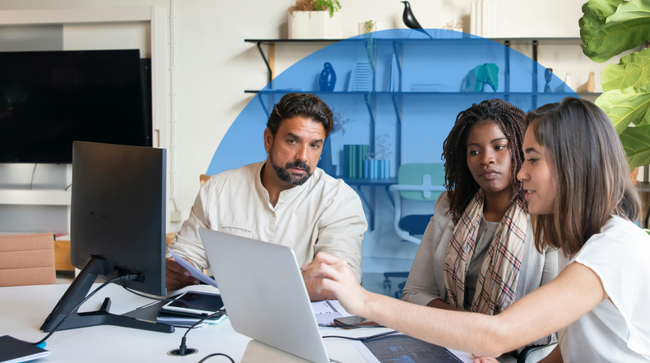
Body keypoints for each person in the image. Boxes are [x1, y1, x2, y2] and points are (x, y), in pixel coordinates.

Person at [309, 97, 650, 362]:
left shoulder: (615, 247)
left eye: (531, 158)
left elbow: (499, 334)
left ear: (572, 164)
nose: (520, 173)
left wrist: (364, 300)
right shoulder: (579, 243)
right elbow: (572, 349)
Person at [167, 93, 367, 301]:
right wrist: (176, 270)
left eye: (314, 145)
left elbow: (338, 281)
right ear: (269, 140)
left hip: (304, 322)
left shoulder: (339, 200)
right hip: (226, 320)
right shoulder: (218, 190)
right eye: (292, 141)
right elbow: (183, 255)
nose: (303, 157)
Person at [401, 99, 558, 361]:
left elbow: (552, 321)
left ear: (522, 150)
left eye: (500, 147)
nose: (486, 159)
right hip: (449, 345)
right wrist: (472, 329)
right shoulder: (449, 206)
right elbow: (414, 293)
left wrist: (489, 336)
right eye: (474, 151)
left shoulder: (546, 215)